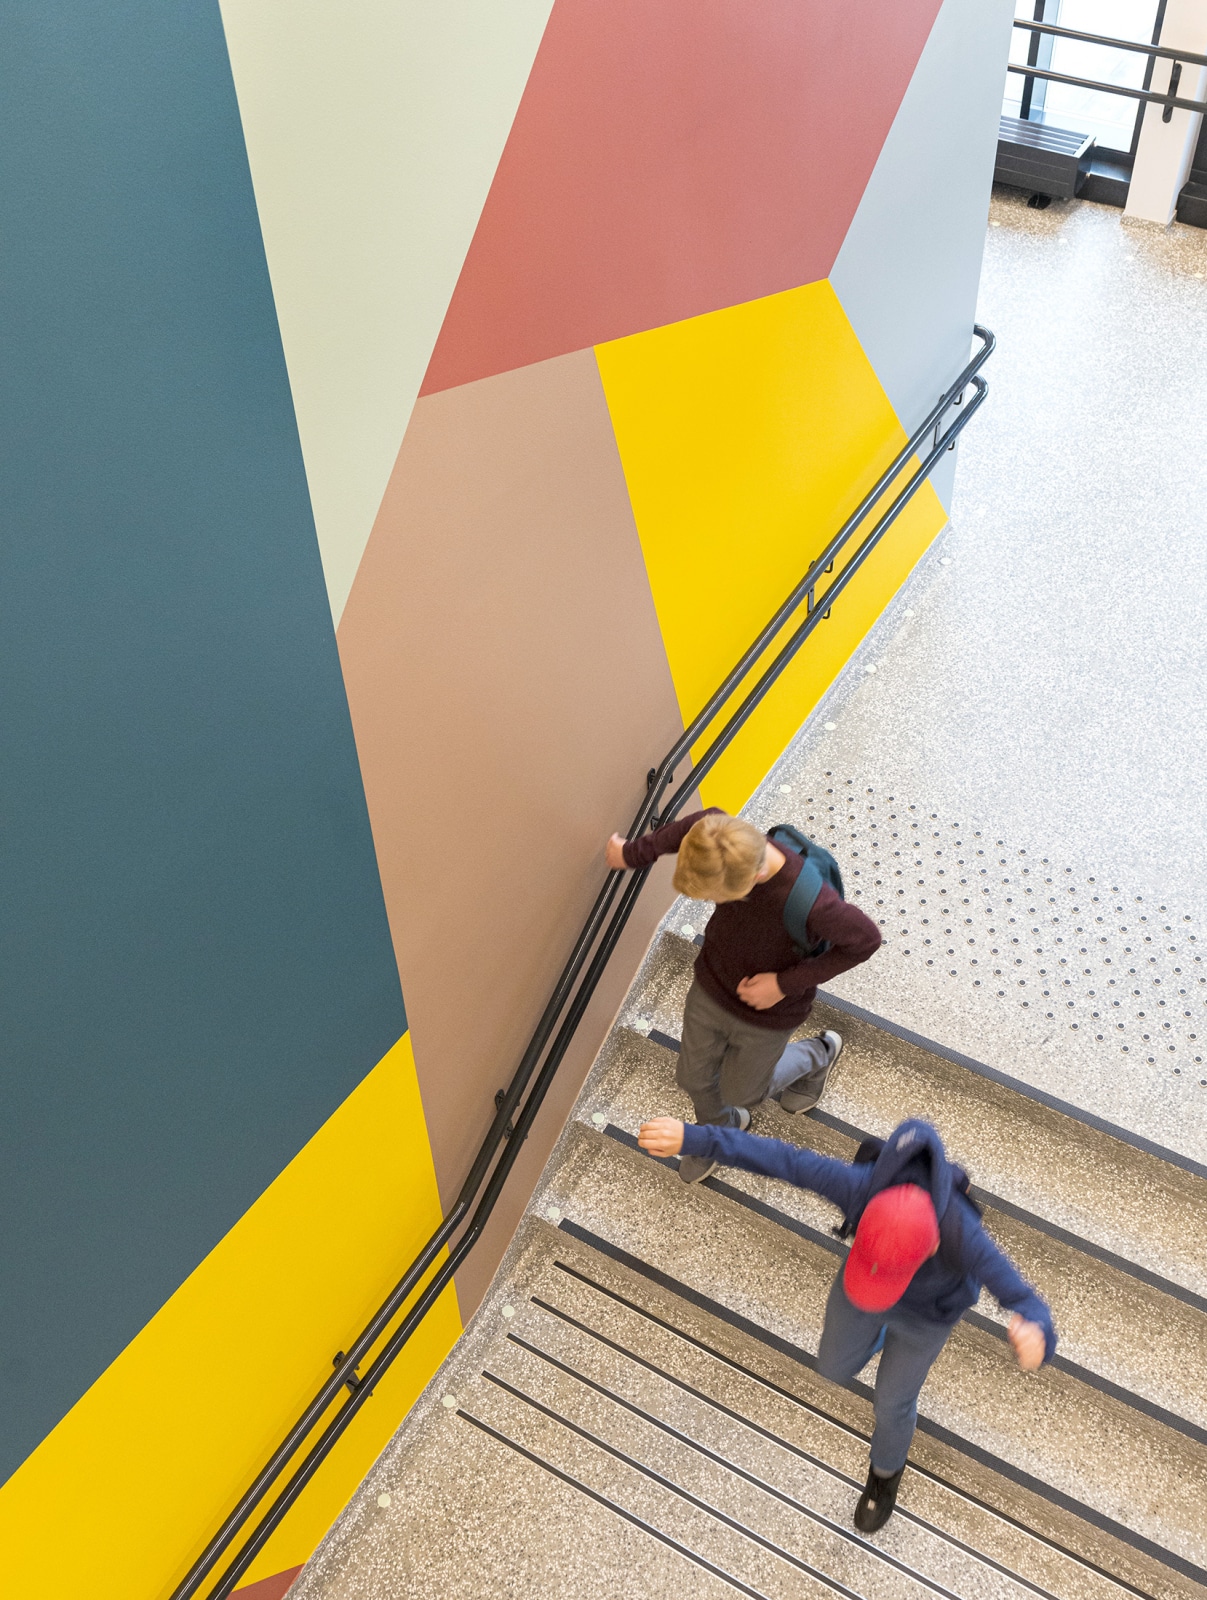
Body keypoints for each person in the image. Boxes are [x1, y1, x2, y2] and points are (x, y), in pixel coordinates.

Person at [636, 1115, 1055, 1531]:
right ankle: (875, 1336)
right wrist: (694, 1137)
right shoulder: (858, 1185)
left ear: (933, 1247)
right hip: (864, 1286)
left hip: (928, 1317)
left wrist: (1037, 1335)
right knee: (833, 1367)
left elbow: (1025, 1300)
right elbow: (781, 1159)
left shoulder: (963, 1234)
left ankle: (885, 1475)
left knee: (893, 1404)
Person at [608, 809, 881, 1182]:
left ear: (754, 879)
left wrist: (784, 984)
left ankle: (819, 1053)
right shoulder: (723, 834)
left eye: (717, 897)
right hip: (711, 985)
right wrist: (633, 854)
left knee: (743, 1093)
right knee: (691, 1077)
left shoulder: (812, 902)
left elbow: (865, 940)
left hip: (767, 1016)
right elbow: (697, 823)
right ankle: (717, 1136)